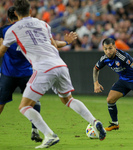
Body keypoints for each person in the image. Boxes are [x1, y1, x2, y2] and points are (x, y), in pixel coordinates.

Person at [0, 0, 106, 149]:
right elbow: (54, 45)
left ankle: (49, 135)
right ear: (31, 11)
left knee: (24, 106)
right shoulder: (43, 24)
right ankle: (94, 122)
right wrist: (66, 42)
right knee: (68, 100)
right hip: (60, 65)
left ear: (16, 13)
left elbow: (2, 50)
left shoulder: (12, 30)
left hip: (43, 68)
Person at [0, 6, 42, 143]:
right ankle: (35, 130)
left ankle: (35, 131)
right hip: (27, 72)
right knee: (34, 102)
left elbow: (1, 51)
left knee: (1, 104)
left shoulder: (4, 31)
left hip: (8, 74)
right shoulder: (29, 30)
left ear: (8, 18)